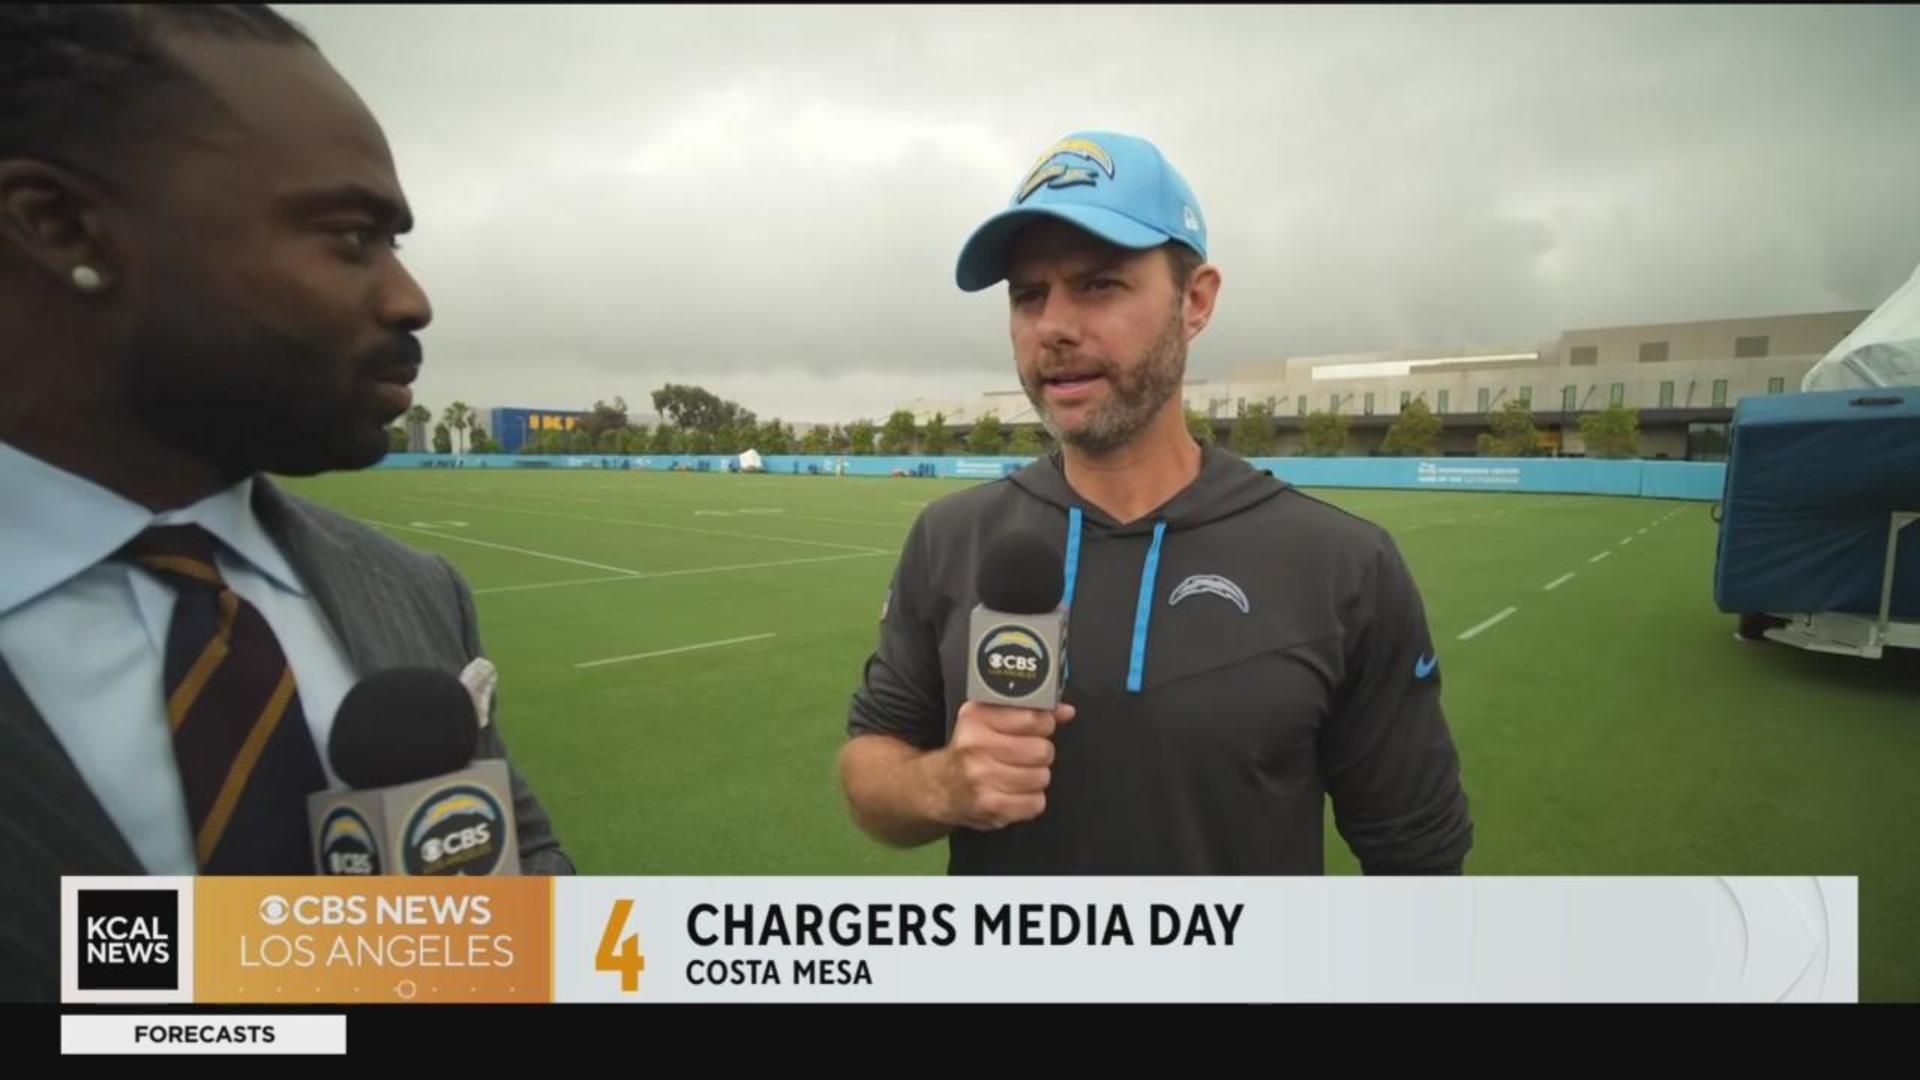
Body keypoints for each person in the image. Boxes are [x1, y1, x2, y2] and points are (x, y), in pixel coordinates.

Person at [0, 5, 572, 1000]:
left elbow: (524, 913)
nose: (411, 297)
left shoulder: (415, 592)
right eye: (351, 236)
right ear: (59, 224)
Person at [838, 131, 1472, 876]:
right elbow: (870, 762)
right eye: (1028, 295)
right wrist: (943, 785)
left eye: (1100, 284)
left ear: (1195, 301)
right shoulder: (952, 536)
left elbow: (1416, 860)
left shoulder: (1342, 564)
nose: (1054, 327)